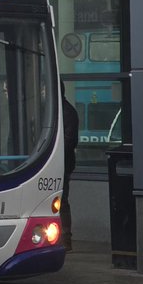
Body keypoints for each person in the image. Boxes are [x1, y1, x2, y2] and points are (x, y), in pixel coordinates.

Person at [61, 94, 79, 249]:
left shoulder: (67, 112)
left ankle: (66, 238)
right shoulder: (62, 111)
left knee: (62, 201)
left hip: (62, 164)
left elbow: (69, 141)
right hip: (62, 162)